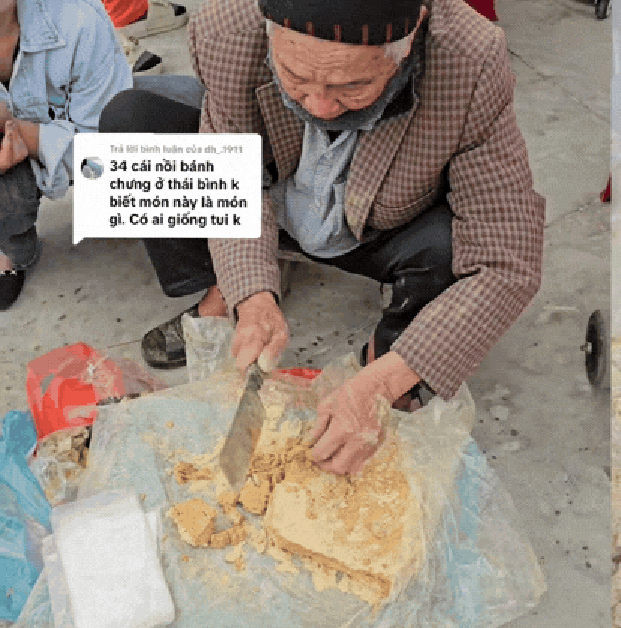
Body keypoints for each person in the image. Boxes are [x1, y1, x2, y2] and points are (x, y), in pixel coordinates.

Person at [99, 0, 545, 475]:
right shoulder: (226, 31)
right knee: (132, 127)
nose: (319, 106)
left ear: (412, 35)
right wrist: (250, 291)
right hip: (276, 196)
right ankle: (225, 290)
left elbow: (506, 258)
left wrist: (385, 381)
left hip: (375, 225)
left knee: (453, 247)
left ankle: (386, 363)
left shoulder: (469, 58)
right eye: (294, 76)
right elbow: (228, 169)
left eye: (353, 85)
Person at [0, 0, 133, 309]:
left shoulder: (78, 20)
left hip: (93, 131)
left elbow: (104, 152)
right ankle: (9, 244)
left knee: (140, 125)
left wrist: (19, 131)